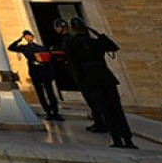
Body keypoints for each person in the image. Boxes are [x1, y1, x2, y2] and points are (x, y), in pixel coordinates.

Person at [64, 17, 136, 149]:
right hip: (106, 77)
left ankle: (117, 139)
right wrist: (99, 34)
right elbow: (113, 46)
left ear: (72, 29)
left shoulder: (70, 42)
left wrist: (79, 80)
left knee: (105, 110)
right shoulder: (96, 42)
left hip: (90, 78)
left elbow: (73, 63)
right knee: (117, 109)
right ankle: (128, 139)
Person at [56, 18, 104, 133]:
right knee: (95, 100)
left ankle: (101, 122)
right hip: (92, 73)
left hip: (85, 75)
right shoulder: (76, 40)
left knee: (94, 99)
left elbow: (72, 59)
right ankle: (100, 121)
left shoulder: (70, 41)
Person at [8, 29, 61, 121]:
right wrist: (19, 40)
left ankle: (55, 112)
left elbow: (48, 60)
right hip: (34, 71)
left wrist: (51, 73)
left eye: (29, 35)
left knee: (50, 92)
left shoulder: (40, 47)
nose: (28, 37)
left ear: (32, 36)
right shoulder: (24, 47)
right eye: (26, 36)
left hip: (44, 70)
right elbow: (11, 47)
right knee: (40, 93)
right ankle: (48, 112)